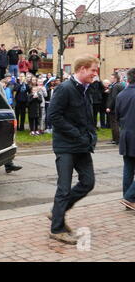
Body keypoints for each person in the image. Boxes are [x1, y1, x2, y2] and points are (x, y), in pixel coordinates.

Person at [48, 54, 99, 245]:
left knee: (88, 182)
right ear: (82, 69)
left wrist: (89, 136)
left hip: (82, 146)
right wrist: (77, 134)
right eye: (93, 69)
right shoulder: (65, 88)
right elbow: (54, 116)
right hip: (66, 146)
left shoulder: (86, 89)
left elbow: (86, 117)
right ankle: (57, 228)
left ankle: (57, 213)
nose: (95, 74)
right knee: (63, 187)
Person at [116, 68, 135, 210]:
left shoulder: (121, 94)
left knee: (128, 168)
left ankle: (128, 198)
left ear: (128, 79)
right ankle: (129, 197)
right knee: (128, 168)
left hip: (125, 135)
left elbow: (117, 116)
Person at [106, 72, 124, 145]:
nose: (110, 79)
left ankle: (116, 139)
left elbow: (113, 98)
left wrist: (109, 107)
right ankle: (116, 139)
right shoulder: (121, 85)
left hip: (114, 108)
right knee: (116, 123)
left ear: (115, 79)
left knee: (114, 124)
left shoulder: (115, 86)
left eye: (112, 78)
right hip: (119, 107)